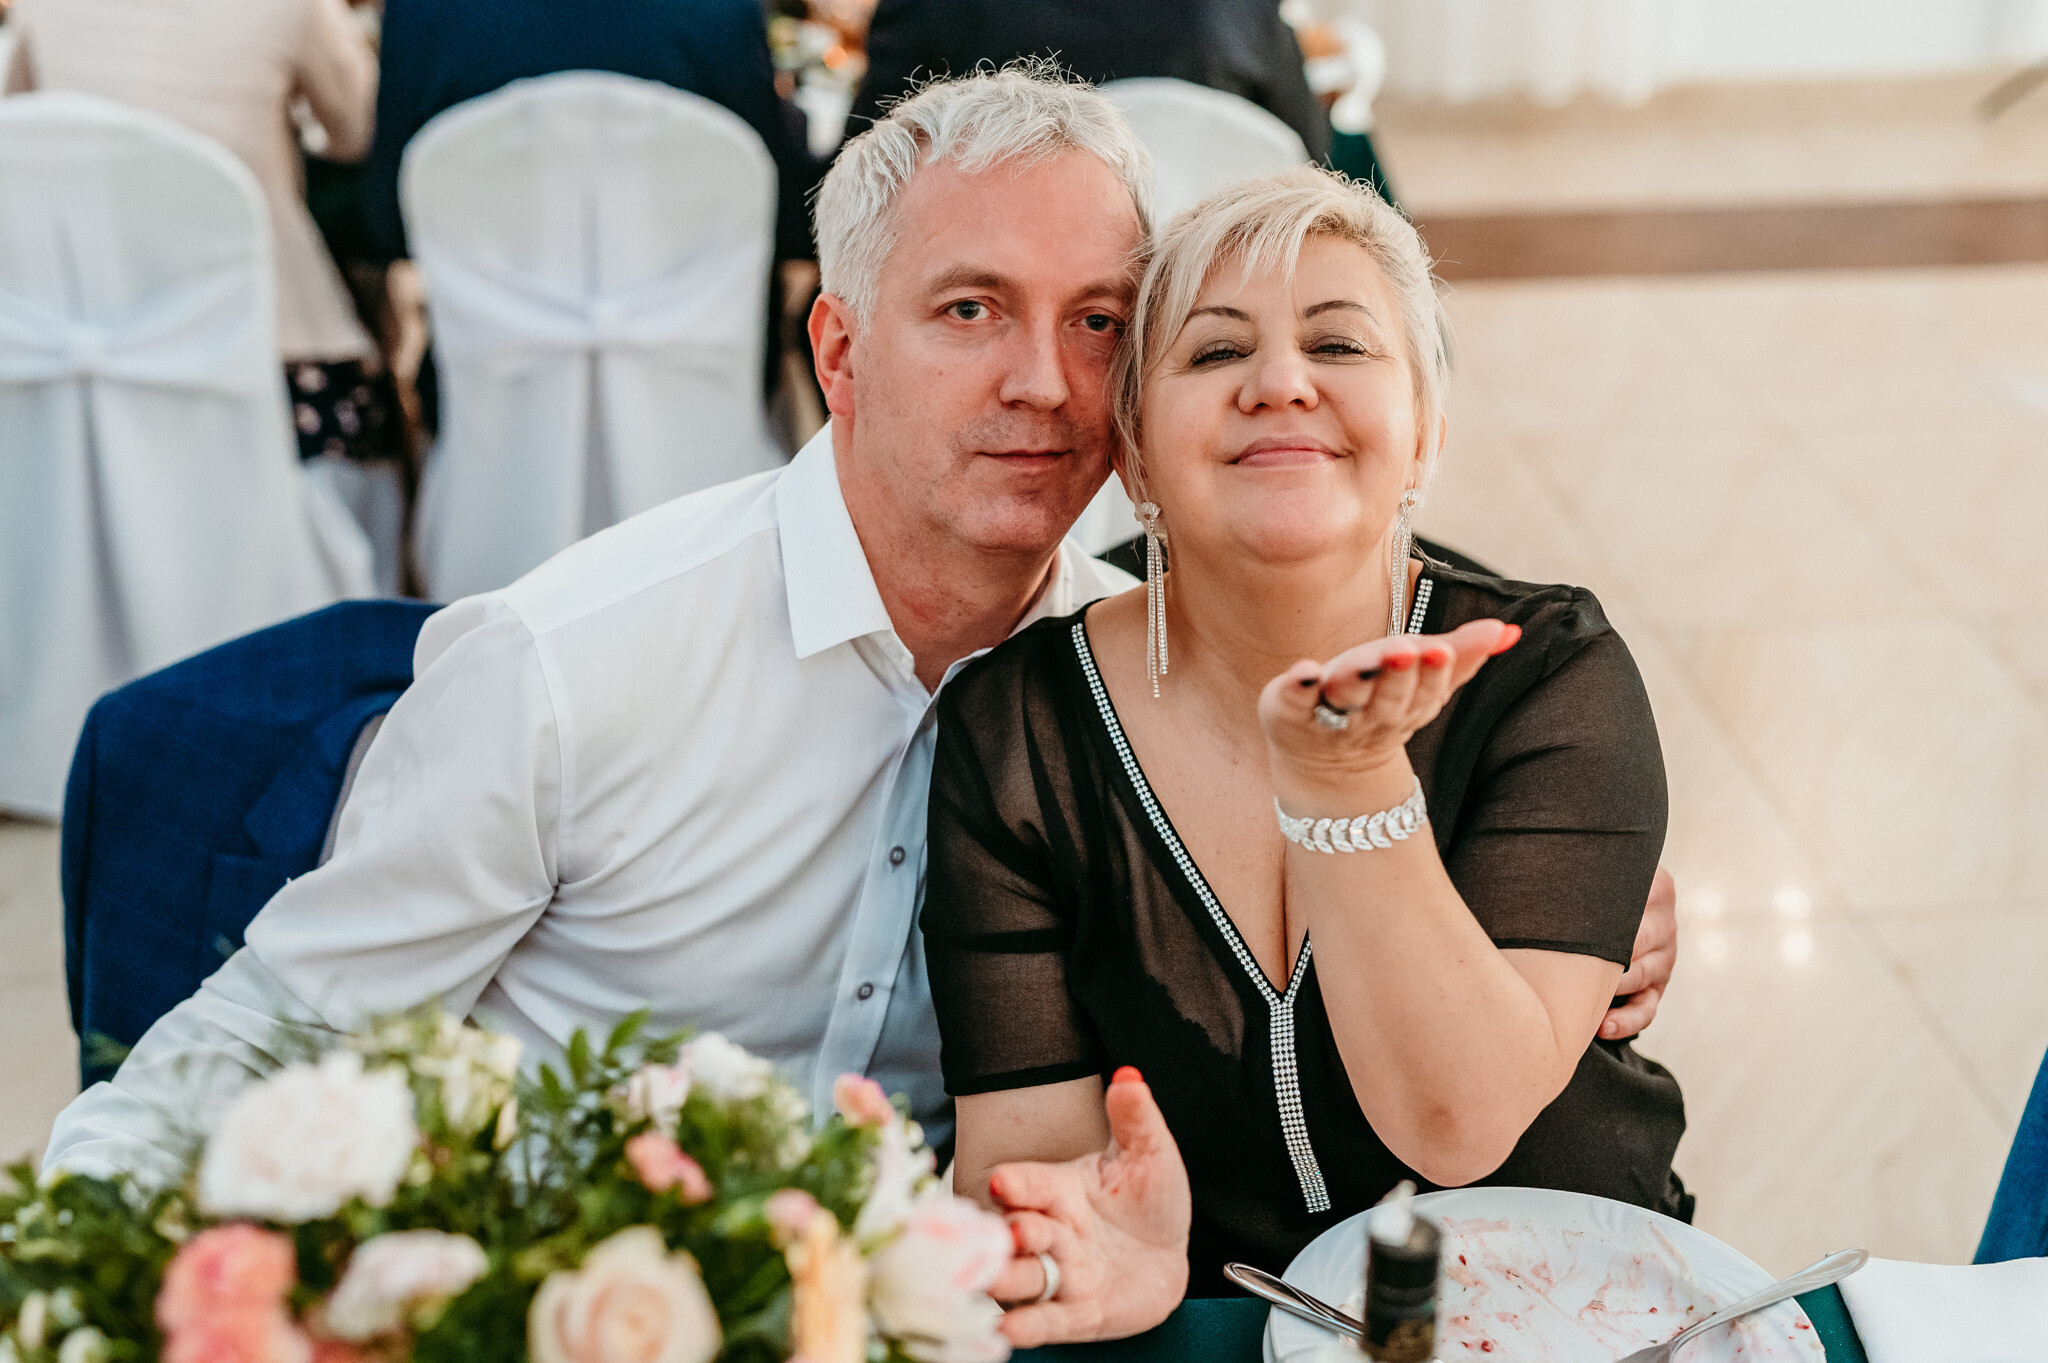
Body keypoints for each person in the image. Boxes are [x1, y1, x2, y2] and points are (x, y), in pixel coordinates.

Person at [41, 67, 1677, 1314]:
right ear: (835, 351)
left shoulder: (1118, 662)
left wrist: (1563, 877)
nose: (1043, 383)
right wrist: (56, 1285)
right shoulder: (577, 664)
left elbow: (1347, 554)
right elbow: (257, 1039)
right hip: (583, 1289)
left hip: (944, 1292)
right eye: (970, 312)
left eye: (1098, 323)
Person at [923, 165, 1687, 1344]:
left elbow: (1455, 1124)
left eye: (1337, 344)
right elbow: (1026, 1160)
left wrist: (1347, 783)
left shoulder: (1549, 674)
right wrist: (1078, 1246)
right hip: (1204, 1324)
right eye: (1214, 351)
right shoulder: (1019, 729)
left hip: (1563, 1312)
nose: (1279, 382)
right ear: (1134, 457)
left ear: (1423, 433)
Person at [3, 0, 402, 466]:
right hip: (273, 373)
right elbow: (359, 133)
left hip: (91, 374)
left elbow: (22, 141)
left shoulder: (42, 7)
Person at [361, 0, 817, 266]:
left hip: (492, 375)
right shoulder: (723, 11)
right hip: (689, 368)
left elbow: (390, 221)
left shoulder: (421, 11)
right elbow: (782, 215)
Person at [852, 0, 1333, 163]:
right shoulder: (1247, 10)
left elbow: (864, 173)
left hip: (1012, 313)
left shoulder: (935, 8)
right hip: (1206, 316)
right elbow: (1313, 158)